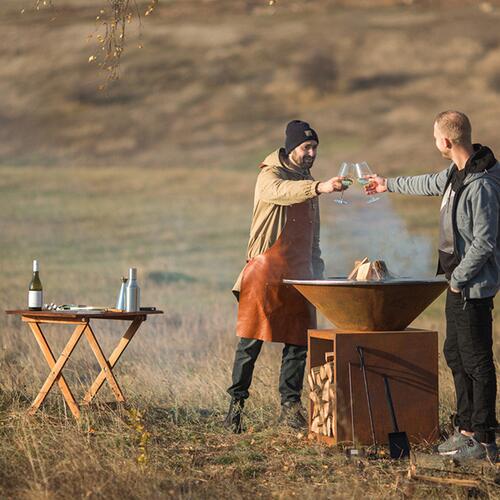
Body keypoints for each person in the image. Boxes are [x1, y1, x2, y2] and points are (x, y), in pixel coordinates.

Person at [366, 110, 499, 462]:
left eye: (434, 138)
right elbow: (427, 182)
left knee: (477, 361)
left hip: (471, 286)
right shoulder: (457, 173)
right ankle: (466, 429)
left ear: (446, 141)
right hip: (457, 284)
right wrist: (387, 184)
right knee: (456, 354)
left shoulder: (482, 183)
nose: (434, 143)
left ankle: (484, 438)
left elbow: (485, 243)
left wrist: (457, 280)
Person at [225, 120, 347, 433]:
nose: (311, 153)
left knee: (298, 343)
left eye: (315, 148)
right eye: (306, 148)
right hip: (266, 269)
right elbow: (280, 193)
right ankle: (235, 409)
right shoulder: (269, 174)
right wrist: (319, 187)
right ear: (291, 148)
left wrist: (317, 264)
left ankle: (289, 409)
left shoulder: (309, 181)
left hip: (301, 271)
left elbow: (313, 230)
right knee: (250, 343)